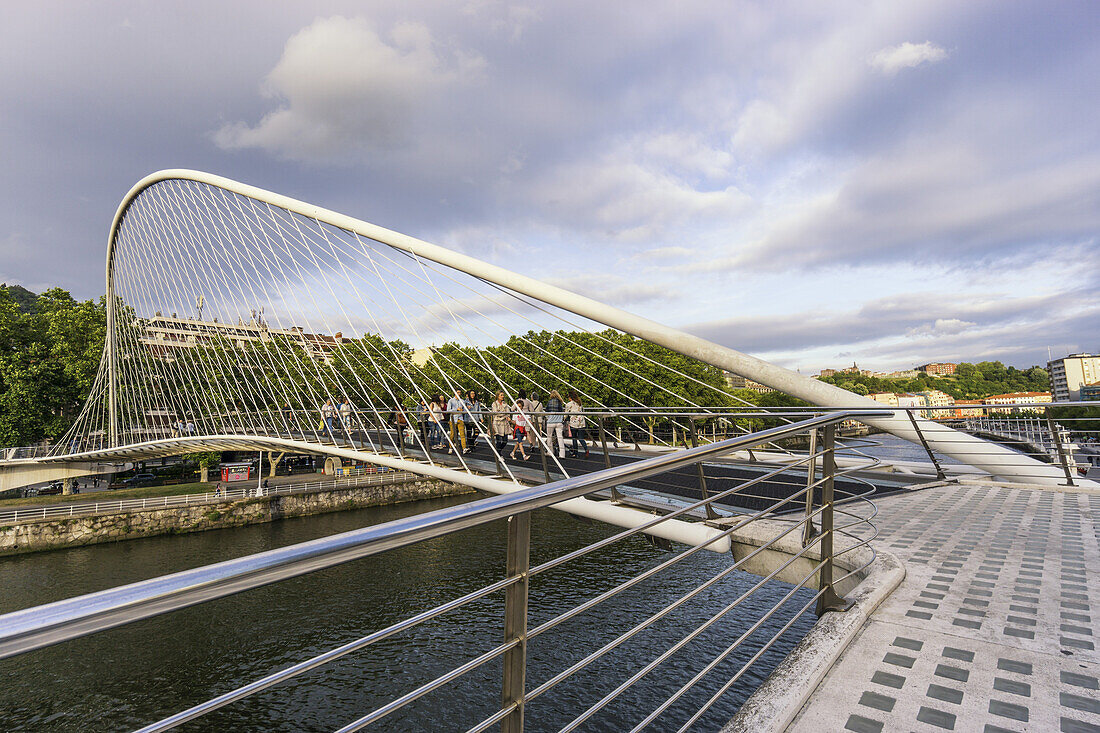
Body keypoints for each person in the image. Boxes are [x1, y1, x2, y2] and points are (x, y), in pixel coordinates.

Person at [566, 392, 589, 458]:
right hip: (581, 422)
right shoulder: (580, 403)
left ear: (570, 397)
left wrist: (563, 420)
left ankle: (575, 453)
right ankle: (586, 449)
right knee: (581, 438)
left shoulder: (568, 404)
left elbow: (566, 414)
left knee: (574, 438)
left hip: (573, 423)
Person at [545, 390, 566, 458]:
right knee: (560, 438)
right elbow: (561, 411)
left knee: (549, 437)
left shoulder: (549, 402)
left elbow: (547, 411)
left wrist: (548, 418)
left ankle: (550, 452)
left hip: (550, 422)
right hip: (559, 422)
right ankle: (562, 454)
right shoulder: (560, 402)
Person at [446, 389, 468, 454]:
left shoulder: (462, 401)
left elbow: (464, 409)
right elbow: (448, 410)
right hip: (453, 419)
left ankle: (464, 448)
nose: (459, 393)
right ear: (455, 393)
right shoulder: (451, 401)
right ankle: (450, 447)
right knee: (452, 434)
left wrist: (465, 409)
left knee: (462, 434)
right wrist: (456, 409)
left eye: (460, 392)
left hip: (460, 419)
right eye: (457, 392)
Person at [510, 393, 529, 460]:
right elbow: (514, 422)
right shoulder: (515, 413)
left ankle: (512, 452)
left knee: (518, 442)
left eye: (520, 406)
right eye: (517, 406)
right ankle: (524, 455)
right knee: (520, 442)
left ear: (522, 407)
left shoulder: (525, 413)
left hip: (522, 429)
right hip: (518, 428)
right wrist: (510, 420)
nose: (518, 408)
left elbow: (528, 420)